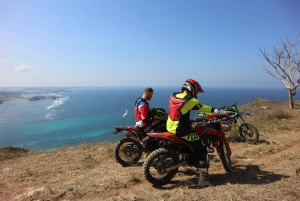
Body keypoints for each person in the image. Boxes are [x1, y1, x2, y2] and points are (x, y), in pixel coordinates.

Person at [167, 78, 231, 186]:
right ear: (192, 89)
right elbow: (207, 108)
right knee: (203, 147)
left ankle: (187, 157)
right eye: (196, 92)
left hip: (170, 127)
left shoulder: (174, 96)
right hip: (181, 130)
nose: (196, 94)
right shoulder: (191, 101)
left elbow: (178, 112)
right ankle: (203, 180)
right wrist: (223, 112)